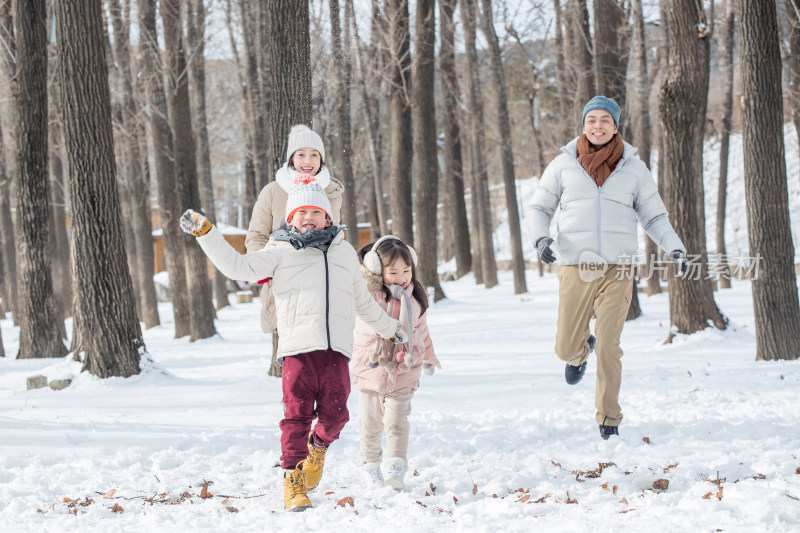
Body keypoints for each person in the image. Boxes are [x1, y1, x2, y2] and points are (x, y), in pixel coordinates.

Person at [180, 176, 405, 512]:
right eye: (302, 212)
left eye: (317, 211)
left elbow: (363, 302)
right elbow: (237, 267)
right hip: (297, 352)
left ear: (328, 217)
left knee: (337, 416)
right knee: (296, 417)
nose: (310, 217)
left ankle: (318, 448)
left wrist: (391, 329)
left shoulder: (343, 252)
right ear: (290, 218)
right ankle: (293, 480)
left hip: (335, 352)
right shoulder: (279, 251)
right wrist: (207, 234)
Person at [528, 95, 687, 440]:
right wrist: (541, 240)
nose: (597, 125)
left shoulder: (634, 169)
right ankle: (578, 353)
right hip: (575, 265)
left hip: (618, 267)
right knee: (565, 346)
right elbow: (539, 208)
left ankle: (609, 420)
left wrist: (674, 247)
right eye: (591, 120)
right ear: (583, 125)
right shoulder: (562, 165)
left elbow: (654, 216)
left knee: (611, 345)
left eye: (605, 120)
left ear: (616, 126)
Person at [350, 236, 441, 491]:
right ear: (378, 269)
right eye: (393, 271)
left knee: (397, 422)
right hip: (372, 370)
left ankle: (395, 468)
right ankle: (370, 465)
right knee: (370, 424)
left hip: (405, 369)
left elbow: (422, 331)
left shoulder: (415, 300)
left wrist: (430, 357)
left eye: (406, 270)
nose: (401, 276)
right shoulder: (366, 297)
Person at [246, 125, 344, 354]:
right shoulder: (273, 191)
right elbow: (256, 236)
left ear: (322, 159)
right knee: (291, 354)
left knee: (324, 349)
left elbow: (335, 234)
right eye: (301, 154)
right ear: (291, 158)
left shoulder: (332, 192)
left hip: (321, 283)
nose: (307, 160)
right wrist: (264, 266)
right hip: (285, 282)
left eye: (314, 154)